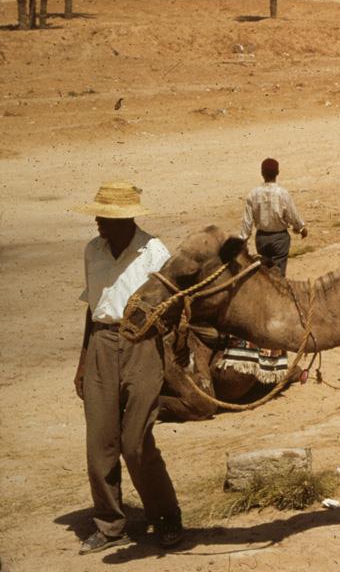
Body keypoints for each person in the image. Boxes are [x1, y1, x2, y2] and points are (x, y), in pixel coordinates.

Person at [72, 181, 183, 554]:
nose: (100, 225)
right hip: (101, 344)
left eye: (108, 219)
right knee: (99, 442)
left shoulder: (154, 252)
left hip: (142, 345)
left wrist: (165, 354)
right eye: (100, 217)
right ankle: (109, 525)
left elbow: (174, 309)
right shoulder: (93, 250)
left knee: (136, 442)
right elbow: (93, 307)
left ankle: (166, 516)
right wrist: (84, 361)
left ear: (128, 219)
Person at [238, 158, 308, 275]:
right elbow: (292, 216)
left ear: (261, 173)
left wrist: (242, 241)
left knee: (266, 274)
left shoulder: (253, 194)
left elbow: (247, 222)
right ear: (278, 172)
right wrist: (301, 228)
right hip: (279, 239)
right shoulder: (282, 193)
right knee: (279, 274)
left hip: (261, 239)